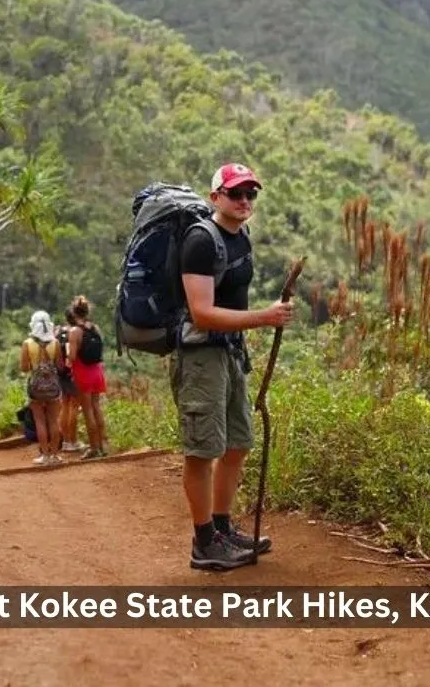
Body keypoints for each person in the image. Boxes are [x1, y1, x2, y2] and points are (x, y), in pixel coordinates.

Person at [173, 162, 294, 571]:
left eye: (250, 194)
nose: (244, 201)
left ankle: (223, 529)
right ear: (215, 198)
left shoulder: (240, 237)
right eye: (235, 194)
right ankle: (204, 542)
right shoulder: (200, 241)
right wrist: (265, 317)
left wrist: (256, 325)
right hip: (200, 355)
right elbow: (202, 313)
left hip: (229, 353)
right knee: (203, 449)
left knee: (237, 442)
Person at [67, 295, 109, 461]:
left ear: (73, 312)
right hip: (96, 371)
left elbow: (72, 356)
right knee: (96, 407)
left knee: (87, 411)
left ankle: (93, 448)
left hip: (82, 372)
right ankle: (103, 445)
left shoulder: (74, 331)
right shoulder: (95, 328)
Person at [19, 311, 63, 466]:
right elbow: (60, 366)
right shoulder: (55, 343)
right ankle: (55, 456)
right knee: (53, 420)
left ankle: (44, 456)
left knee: (40, 421)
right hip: (53, 387)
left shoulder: (27, 344)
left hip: (35, 388)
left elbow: (24, 368)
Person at [56, 307, 84, 453]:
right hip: (72, 371)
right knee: (74, 406)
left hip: (60, 373)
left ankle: (65, 441)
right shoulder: (75, 332)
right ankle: (73, 441)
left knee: (64, 406)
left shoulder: (59, 332)